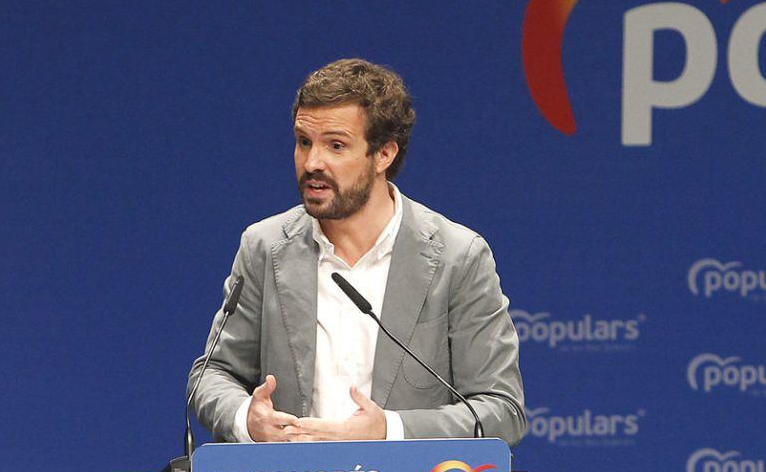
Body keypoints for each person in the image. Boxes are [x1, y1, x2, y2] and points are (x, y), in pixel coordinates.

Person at [188, 58, 526, 447]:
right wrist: (246, 417)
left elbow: (501, 411)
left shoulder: (457, 258)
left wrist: (389, 431)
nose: (313, 163)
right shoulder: (264, 246)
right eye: (303, 142)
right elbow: (213, 374)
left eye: (336, 146)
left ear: (384, 154)